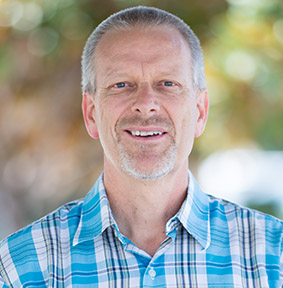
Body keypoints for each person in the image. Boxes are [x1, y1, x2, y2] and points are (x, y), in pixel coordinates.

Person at [0, 6, 282, 287]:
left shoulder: (274, 258)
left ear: (200, 112)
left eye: (168, 83)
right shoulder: (19, 268)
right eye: (121, 84)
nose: (146, 103)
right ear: (90, 114)